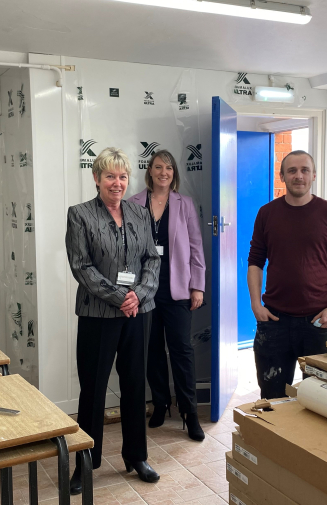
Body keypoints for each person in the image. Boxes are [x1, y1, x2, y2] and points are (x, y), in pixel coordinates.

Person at [65, 147, 161, 493]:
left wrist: (140, 294)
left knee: (136, 385)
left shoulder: (140, 213)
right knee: (92, 390)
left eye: (122, 177)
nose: (117, 183)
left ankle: (136, 457)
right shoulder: (79, 215)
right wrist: (121, 297)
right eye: (109, 176)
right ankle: (85, 464)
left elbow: (152, 258)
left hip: (138, 313)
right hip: (98, 314)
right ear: (96, 179)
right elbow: (82, 267)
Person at [248, 151, 327, 400]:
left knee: (321, 398)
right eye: (292, 171)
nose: (299, 176)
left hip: (319, 322)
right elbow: (255, 262)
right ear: (282, 176)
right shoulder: (267, 214)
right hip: (274, 321)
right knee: (272, 397)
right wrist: (256, 304)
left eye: (305, 170)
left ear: (314, 175)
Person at [130, 150, 206, 442]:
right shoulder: (133, 203)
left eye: (169, 168)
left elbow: (196, 248)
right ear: (149, 171)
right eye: (158, 167)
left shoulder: (184, 204)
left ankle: (190, 413)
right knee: (151, 351)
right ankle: (160, 403)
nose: (164, 172)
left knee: (182, 351)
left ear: (174, 173)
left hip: (177, 289)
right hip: (144, 289)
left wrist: (197, 285)